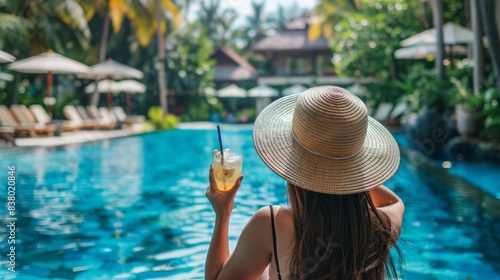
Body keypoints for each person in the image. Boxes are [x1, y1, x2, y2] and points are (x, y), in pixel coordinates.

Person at [205, 86, 404, 280]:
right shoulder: (383, 226)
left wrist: (223, 213)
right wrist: (347, 171)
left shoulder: (270, 224)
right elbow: (396, 203)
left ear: (293, 161)